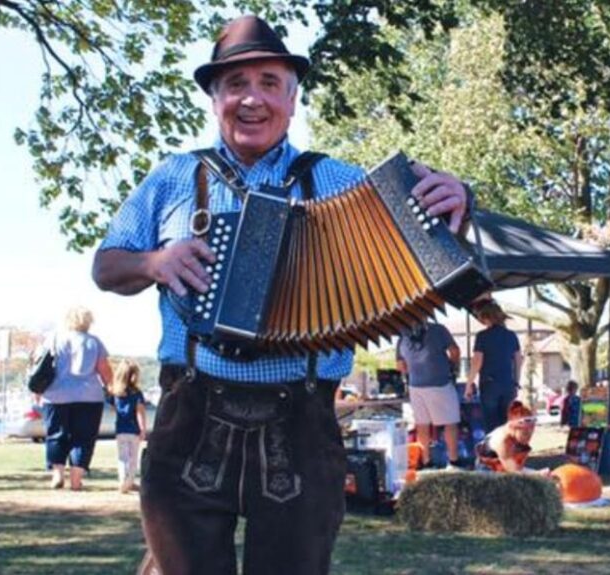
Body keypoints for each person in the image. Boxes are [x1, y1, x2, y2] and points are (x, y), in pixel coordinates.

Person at [91, 14, 474, 575]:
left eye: (269, 83)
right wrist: (154, 261)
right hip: (191, 412)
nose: (252, 99)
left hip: (302, 416)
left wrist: (458, 197)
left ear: (293, 100)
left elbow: (431, 241)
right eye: (236, 85)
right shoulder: (174, 176)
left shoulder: (340, 181)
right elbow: (106, 266)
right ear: (214, 97)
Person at [39, 306, 113, 491]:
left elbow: (41, 365)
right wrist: (111, 389)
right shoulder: (94, 342)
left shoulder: (54, 338)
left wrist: (38, 391)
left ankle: (57, 473)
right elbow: (104, 370)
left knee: (56, 434)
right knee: (84, 437)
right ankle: (76, 479)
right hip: (89, 396)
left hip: (56, 395)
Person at [396, 321, 464, 470]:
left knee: (422, 424)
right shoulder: (438, 329)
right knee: (450, 423)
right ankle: (453, 461)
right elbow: (455, 351)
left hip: (416, 385)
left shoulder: (402, 334)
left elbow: (400, 366)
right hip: (440, 382)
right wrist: (453, 368)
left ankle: (426, 461)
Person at [465, 300, 523, 433]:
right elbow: (518, 360)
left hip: (490, 383)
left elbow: (477, 361)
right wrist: (516, 381)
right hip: (508, 383)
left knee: (491, 423)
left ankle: (494, 452)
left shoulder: (483, 336)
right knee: (506, 422)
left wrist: (469, 384)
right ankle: (506, 451)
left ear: (485, 317)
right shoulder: (511, 336)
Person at [107, 359, 148, 494]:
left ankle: (124, 481)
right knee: (132, 459)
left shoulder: (115, 393)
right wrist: (142, 429)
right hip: (133, 430)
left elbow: (113, 409)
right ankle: (128, 482)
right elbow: (140, 412)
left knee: (122, 457)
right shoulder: (137, 394)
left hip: (120, 430)